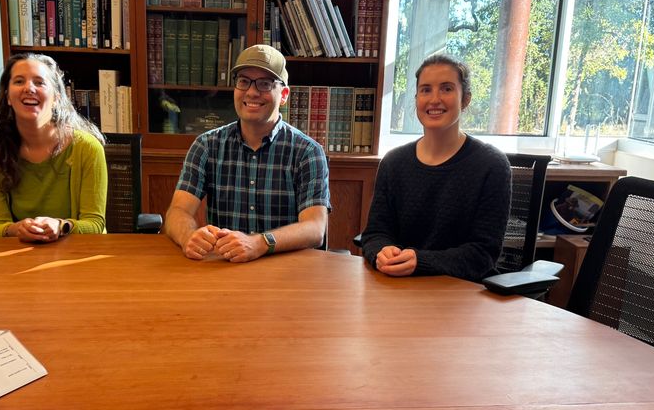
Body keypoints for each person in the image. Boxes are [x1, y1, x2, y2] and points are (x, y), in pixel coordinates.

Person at [165, 44, 330, 262]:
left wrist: (260, 243)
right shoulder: (206, 146)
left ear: (284, 95)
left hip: (285, 270)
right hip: (225, 266)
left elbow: (315, 228)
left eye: (265, 84)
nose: (252, 92)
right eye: (244, 81)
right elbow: (177, 211)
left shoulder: (307, 152)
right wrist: (188, 236)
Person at [360, 53, 510, 281]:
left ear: (465, 99)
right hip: (399, 286)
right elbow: (375, 233)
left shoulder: (491, 165)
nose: (434, 99)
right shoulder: (393, 162)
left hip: (463, 291)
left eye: (447, 89)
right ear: (416, 98)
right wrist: (381, 252)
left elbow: (483, 253)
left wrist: (420, 262)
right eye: (426, 90)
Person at [0, 53, 107, 241]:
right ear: (7, 97)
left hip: (78, 251)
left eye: (39, 82)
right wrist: (17, 228)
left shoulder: (87, 148)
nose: (29, 88)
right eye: (19, 81)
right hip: (19, 251)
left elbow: (94, 224)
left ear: (56, 98)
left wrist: (61, 226)